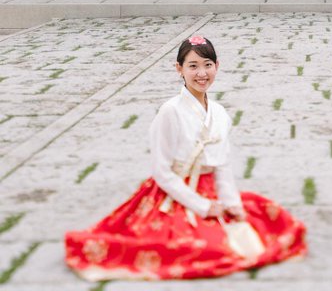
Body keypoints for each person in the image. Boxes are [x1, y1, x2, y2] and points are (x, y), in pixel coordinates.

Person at [65, 34, 306, 281]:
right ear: (179, 69)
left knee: (263, 221)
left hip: (209, 188)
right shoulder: (170, 112)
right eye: (193, 66)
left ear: (217, 66)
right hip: (174, 191)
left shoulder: (220, 113)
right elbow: (162, 171)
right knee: (203, 247)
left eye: (207, 65)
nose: (202, 73)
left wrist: (231, 202)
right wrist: (202, 206)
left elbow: (222, 164)